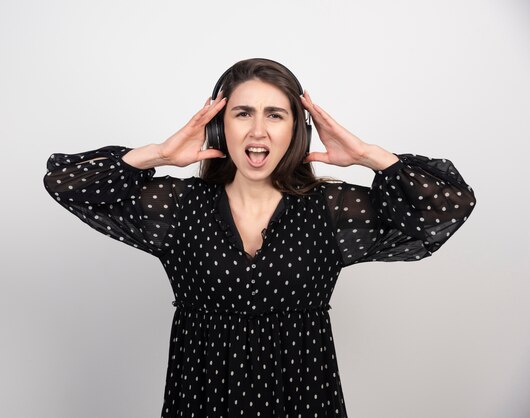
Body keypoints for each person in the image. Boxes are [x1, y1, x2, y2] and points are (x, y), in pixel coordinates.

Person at [42, 58, 476, 417]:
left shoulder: (331, 210)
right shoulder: (178, 207)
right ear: (219, 126)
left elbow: (450, 204)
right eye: (242, 113)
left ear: (295, 129)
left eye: (275, 115)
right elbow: (65, 183)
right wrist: (158, 153)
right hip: (201, 402)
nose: (258, 132)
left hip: (304, 404)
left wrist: (366, 156)